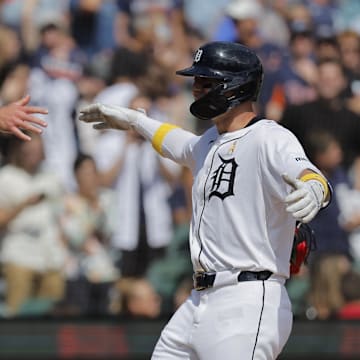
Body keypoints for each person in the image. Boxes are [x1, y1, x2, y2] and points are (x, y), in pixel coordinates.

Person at [79, 41, 331, 360]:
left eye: (206, 82)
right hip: (199, 302)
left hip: (248, 298)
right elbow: (177, 143)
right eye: (196, 81)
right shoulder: (210, 142)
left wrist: (313, 190)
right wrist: (136, 121)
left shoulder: (269, 136)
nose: (196, 88)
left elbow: (311, 174)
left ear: (235, 86)